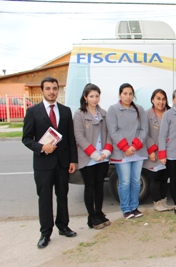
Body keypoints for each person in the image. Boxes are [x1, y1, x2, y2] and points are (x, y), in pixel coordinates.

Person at [22, 77, 78, 249]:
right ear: (42, 91)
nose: (52, 91)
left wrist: (73, 160)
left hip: (62, 163)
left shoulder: (66, 111)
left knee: (62, 196)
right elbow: (26, 138)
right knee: (45, 199)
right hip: (43, 164)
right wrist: (41, 147)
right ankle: (45, 233)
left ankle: (63, 226)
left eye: (54, 88)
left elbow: (70, 138)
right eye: (48, 88)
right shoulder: (33, 112)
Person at [106, 83, 148, 219]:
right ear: (120, 95)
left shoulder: (139, 109)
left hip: (137, 151)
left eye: (130, 94)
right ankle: (126, 209)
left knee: (136, 181)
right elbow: (113, 131)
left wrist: (134, 147)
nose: (128, 96)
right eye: (125, 93)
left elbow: (144, 130)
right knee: (124, 181)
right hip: (121, 152)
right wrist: (125, 147)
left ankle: (134, 207)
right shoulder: (113, 110)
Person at [73, 83, 112, 229]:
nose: (95, 99)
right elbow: (79, 136)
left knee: (99, 186)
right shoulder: (79, 114)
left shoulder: (103, 113)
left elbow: (109, 134)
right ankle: (91, 216)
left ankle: (99, 212)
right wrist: (94, 154)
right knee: (89, 187)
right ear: (85, 97)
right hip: (88, 157)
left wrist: (106, 151)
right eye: (91, 96)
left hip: (103, 157)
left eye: (97, 96)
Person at [143, 89, 173, 212]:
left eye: (163, 99)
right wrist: (151, 150)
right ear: (152, 100)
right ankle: (156, 203)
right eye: (158, 98)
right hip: (154, 152)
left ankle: (163, 201)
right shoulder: (147, 114)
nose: (161, 102)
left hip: (168, 152)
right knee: (156, 177)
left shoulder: (170, 113)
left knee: (165, 178)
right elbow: (145, 134)